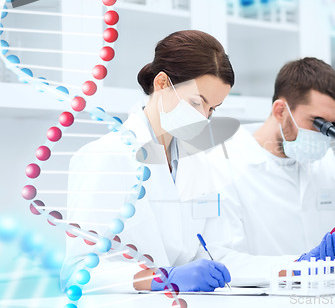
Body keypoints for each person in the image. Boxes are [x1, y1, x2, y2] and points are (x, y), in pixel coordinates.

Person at [61, 30, 234, 293]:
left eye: (212, 109)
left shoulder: (198, 164)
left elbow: (212, 254)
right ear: (162, 83)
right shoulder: (105, 156)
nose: (204, 117)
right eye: (197, 102)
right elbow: (78, 273)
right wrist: (160, 279)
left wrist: (292, 266)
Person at [202, 57, 335, 284]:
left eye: (333, 125)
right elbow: (224, 260)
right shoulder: (222, 164)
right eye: (317, 123)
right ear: (280, 110)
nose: (324, 135)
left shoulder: (326, 162)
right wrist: (299, 266)